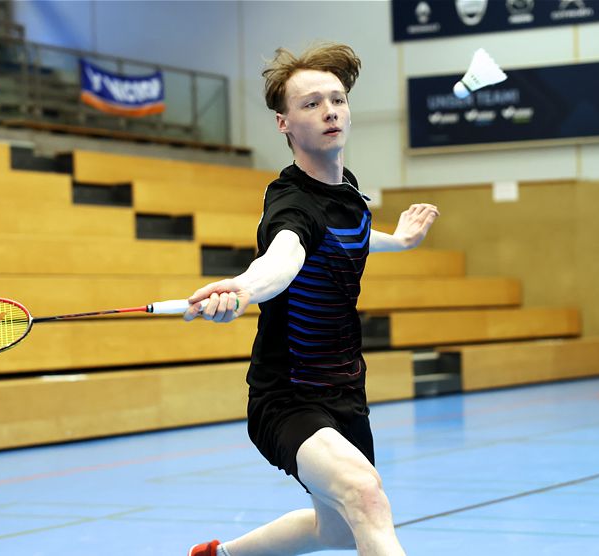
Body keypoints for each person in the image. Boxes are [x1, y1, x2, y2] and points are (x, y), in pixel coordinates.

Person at [185, 43, 439, 556]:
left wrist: (400, 240)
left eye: (337, 99)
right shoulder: (291, 203)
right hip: (289, 396)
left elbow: (351, 235)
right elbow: (283, 258)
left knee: (339, 530)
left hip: (346, 390)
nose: (329, 111)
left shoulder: (346, 191)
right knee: (366, 497)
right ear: (284, 123)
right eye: (310, 104)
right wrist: (243, 290)